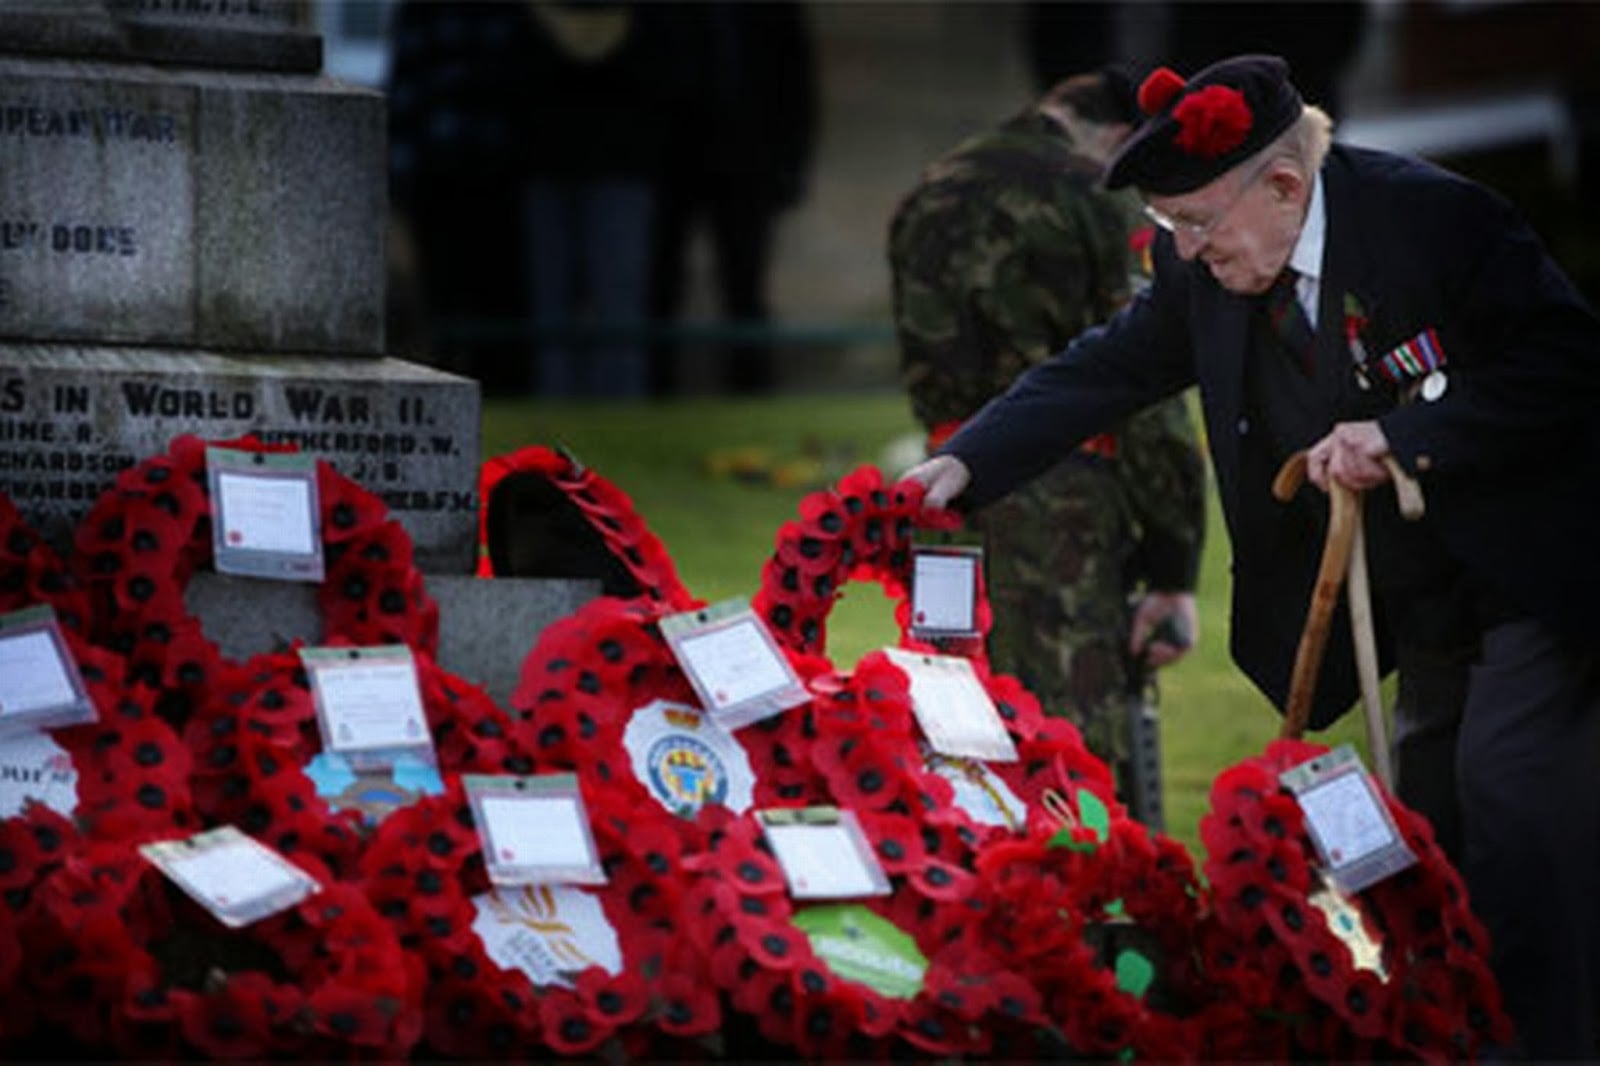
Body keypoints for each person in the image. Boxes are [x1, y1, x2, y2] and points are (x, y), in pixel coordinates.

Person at [905, 54, 1600, 1059]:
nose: (1178, 251)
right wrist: (961, 466)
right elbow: (1103, 367)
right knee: (1429, 815)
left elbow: (1567, 361)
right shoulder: (1210, 271)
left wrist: (1404, 436)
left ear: (1283, 184)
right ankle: (1458, 1034)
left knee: (1513, 797)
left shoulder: (1434, 219)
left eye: (1193, 223)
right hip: (1422, 593)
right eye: (1164, 228)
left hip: (1535, 563)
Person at [887, 70, 1206, 822]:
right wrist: (1172, 562)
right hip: (1068, 499)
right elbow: (1146, 388)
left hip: (943, 499)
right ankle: (1087, 926)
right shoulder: (1093, 193)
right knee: (1071, 739)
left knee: (957, 725)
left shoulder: (927, 192)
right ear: (1117, 136)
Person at [648, 1, 817, 396]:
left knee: (746, 283)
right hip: (674, 161)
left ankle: (751, 386)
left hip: (748, 161)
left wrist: (791, 163)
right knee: (660, 285)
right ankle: (656, 387)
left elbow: (795, 84)